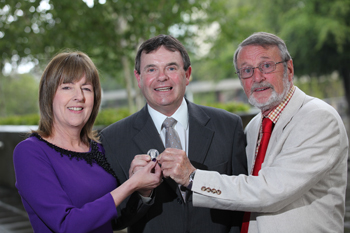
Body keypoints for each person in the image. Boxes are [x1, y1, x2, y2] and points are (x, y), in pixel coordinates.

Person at [167, 32, 349, 233]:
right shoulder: (254, 126)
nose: (257, 77)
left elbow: (270, 190)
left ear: (289, 69)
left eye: (267, 66)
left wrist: (193, 178)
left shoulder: (319, 118)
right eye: (246, 70)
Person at [100, 34, 247, 233]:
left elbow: (243, 201)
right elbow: (115, 220)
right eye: (151, 69)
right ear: (138, 78)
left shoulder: (228, 126)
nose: (162, 77)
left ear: (187, 75)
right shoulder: (113, 139)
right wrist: (142, 193)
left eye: (171, 68)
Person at [13, 51, 162, 233]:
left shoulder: (100, 149)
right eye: (67, 87)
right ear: (49, 94)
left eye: (86, 88)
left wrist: (142, 190)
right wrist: (130, 185)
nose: (79, 96)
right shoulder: (30, 152)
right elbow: (66, 225)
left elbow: (115, 220)